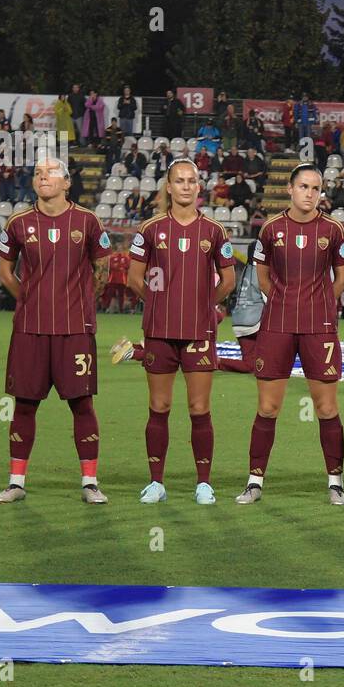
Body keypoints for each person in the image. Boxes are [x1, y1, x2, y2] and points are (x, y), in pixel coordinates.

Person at [0, 156, 112, 504]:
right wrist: (29, 300)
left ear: (67, 182)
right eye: (38, 173)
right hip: (30, 329)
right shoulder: (18, 222)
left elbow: (100, 272)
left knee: (82, 405)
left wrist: (81, 306)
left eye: (51, 172)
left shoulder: (88, 221)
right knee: (24, 405)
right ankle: (16, 482)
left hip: (75, 330)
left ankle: (90, 482)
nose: (43, 177)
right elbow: (5, 272)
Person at [121, 160, 237, 505]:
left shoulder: (215, 231)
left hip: (199, 332)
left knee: (199, 408)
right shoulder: (150, 229)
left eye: (192, 181)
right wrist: (158, 305)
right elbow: (133, 278)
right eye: (179, 181)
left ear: (198, 188)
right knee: (159, 405)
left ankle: (203, 483)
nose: (186, 186)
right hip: (159, 331)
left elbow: (228, 280)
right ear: (168, 187)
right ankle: (156, 482)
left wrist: (205, 306)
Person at [235, 165, 344, 505]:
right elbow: (263, 278)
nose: (310, 193)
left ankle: (335, 482)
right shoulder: (272, 229)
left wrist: (320, 307)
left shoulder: (333, 229)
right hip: (277, 326)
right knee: (268, 407)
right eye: (303, 186)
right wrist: (286, 304)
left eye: (316, 188)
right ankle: (254, 481)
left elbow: (340, 281)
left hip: (320, 328)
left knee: (327, 407)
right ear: (290, 189)